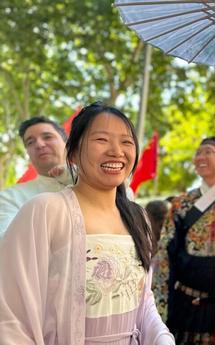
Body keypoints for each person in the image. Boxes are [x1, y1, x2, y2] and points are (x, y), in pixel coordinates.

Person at [0, 102, 174, 345]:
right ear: (72, 153)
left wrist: (163, 340)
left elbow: (143, 303)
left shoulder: (138, 217)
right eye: (102, 139)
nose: (116, 151)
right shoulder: (45, 210)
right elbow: (11, 317)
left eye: (126, 142)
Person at [153, 136, 215, 345]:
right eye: (198, 153)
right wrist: (160, 307)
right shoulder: (181, 203)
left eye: (208, 151)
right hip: (184, 305)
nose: (200, 157)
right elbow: (164, 254)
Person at [0, 116, 70, 237]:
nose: (40, 144)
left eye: (47, 137)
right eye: (30, 142)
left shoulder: (95, 179)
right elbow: (6, 240)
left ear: (66, 142)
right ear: (27, 152)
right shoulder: (10, 196)